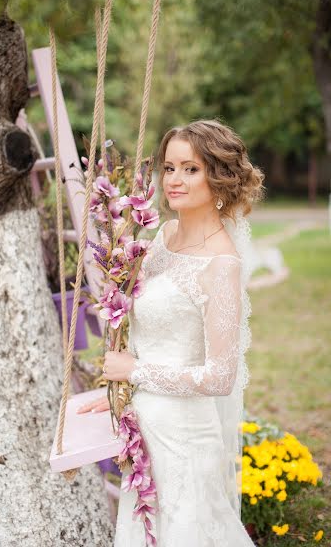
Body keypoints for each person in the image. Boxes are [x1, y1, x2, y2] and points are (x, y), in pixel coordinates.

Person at [77, 120, 265, 546]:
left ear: (219, 177)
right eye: (169, 168)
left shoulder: (221, 266)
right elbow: (151, 336)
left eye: (191, 169)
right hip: (145, 432)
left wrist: (135, 371)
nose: (174, 180)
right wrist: (111, 390)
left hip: (184, 439)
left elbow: (220, 377)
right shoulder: (163, 236)